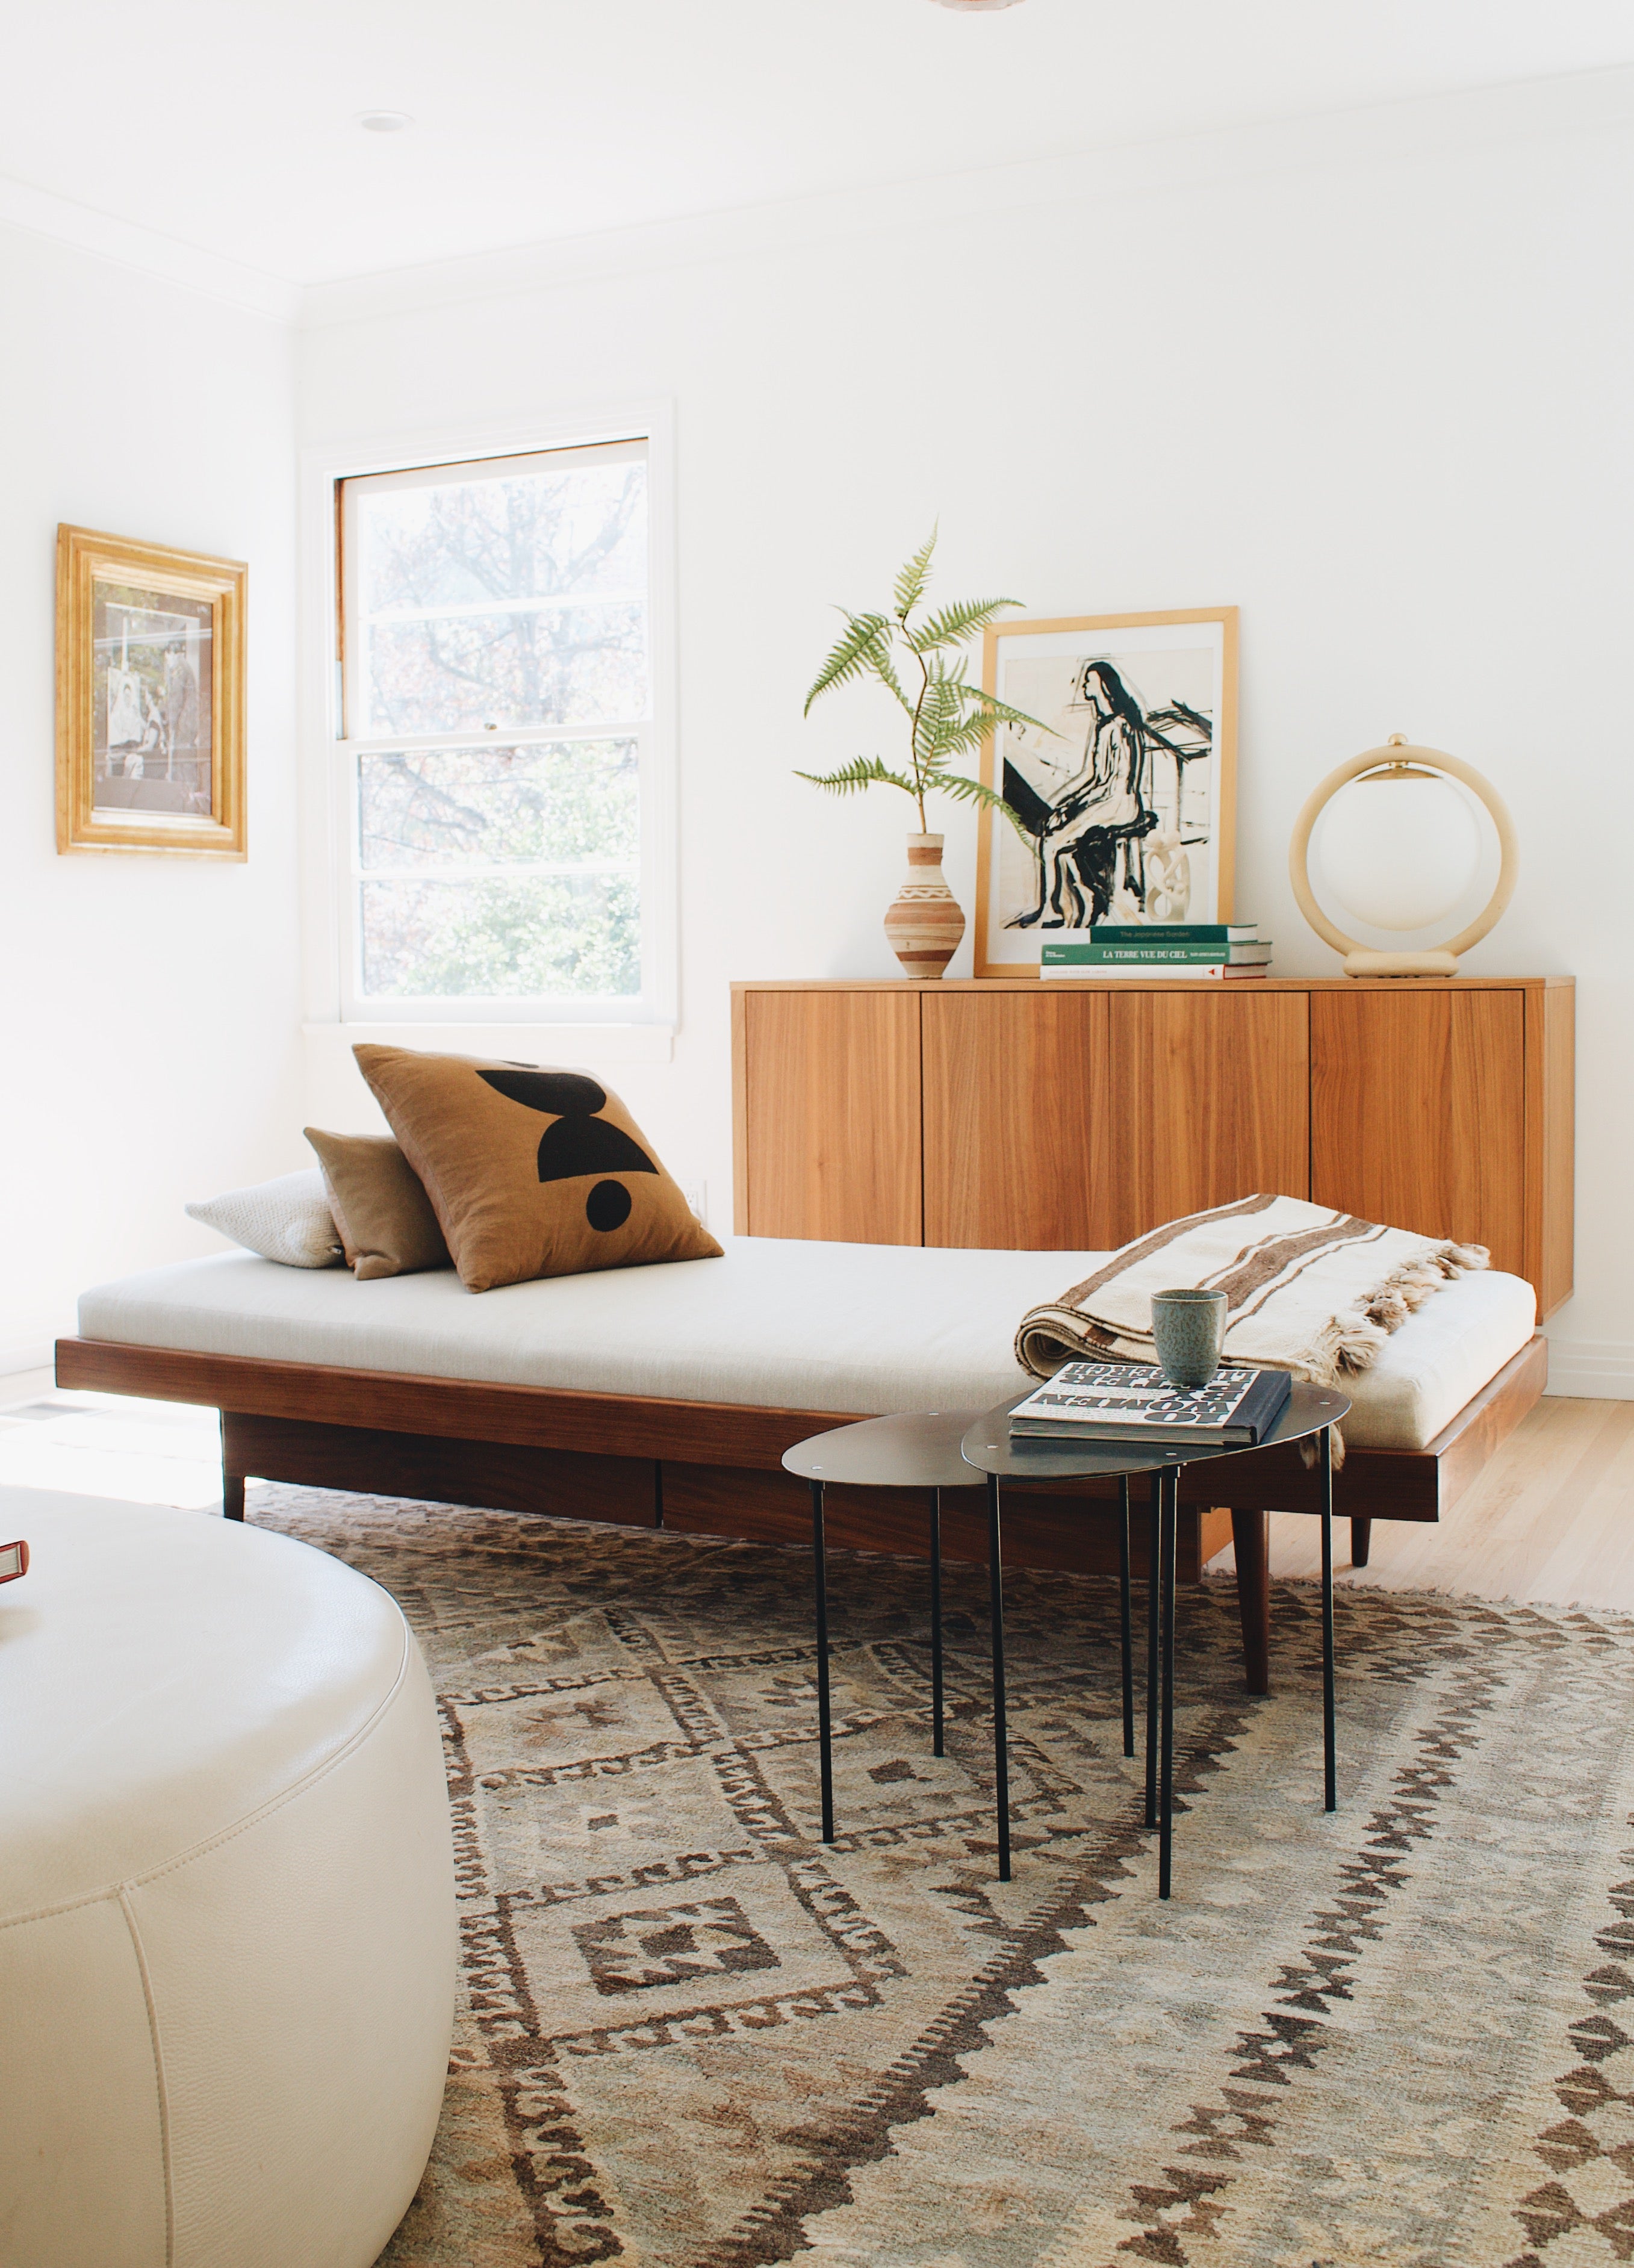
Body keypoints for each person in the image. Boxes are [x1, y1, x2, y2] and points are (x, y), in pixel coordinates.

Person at [1013, 660, 1158, 928]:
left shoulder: (1122, 726)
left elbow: (1117, 782)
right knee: (1052, 834)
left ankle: (1052, 911)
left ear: (1103, 686)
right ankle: (1059, 906)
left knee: (1054, 842)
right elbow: (1092, 777)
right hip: (1105, 800)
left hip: (1120, 804)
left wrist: (1073, 809)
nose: (1083, 686)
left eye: (1088, 681)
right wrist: (1066, 805)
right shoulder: (1104, 726)